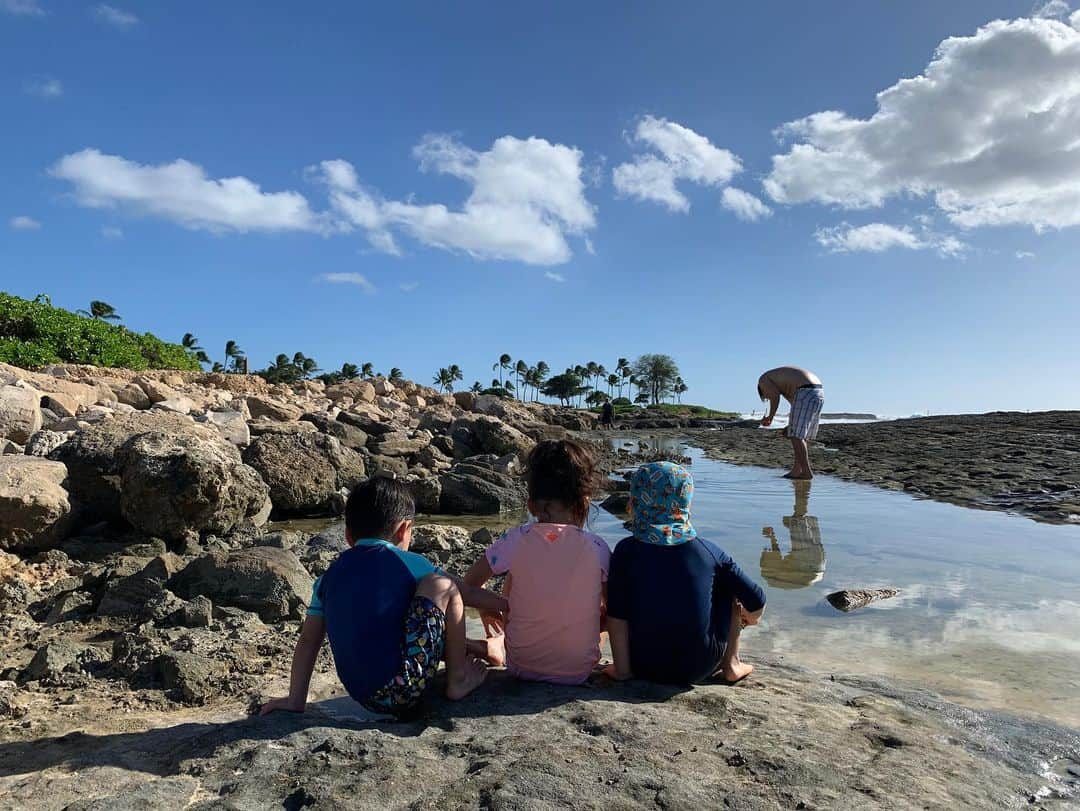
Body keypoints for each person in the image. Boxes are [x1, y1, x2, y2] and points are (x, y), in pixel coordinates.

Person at [260, 478, 506, 717]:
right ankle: (458, 680)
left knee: (402, 617)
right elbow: (468, 593)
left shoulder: (327, 578)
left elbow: (307, 642)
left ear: (348, 535)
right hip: (404, 689)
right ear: (403, 529)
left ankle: (482, 648)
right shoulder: (409, 563)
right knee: (442, 586)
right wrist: (508, 605)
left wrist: (295, 700)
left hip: (361, 694)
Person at [604, 462, 766, 685]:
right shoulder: (708, 552)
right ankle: (731, 664)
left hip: (643, 665)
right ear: (686, 504)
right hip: (700, 666)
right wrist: (748, 620)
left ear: (634, 503)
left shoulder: (625, 551)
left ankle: (622, 668)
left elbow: (617, 614)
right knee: (725, 585)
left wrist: (623, 671)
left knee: (624, 595)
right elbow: (756, 600)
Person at [463, 439, 609, 684]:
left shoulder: (517, 539)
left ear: (530, 504)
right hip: (577, 671)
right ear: (584, 502)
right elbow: (613, 611)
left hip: (521, 665)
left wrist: (493, 609)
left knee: (516, 577)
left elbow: (469, 585)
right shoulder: (598, 548)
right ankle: (496, 646)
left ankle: (496, 645)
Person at [757, 366, 824, 480]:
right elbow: (796, 405)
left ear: (761, 390)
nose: (767, 398)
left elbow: (774, 397)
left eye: (766, 397)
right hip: (818, 391)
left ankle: (806, 472)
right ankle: (797, 470)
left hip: (806, 390)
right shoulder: (782, 382)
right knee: (799, 435)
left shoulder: (763, 380)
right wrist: (791, 425)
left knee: (796, 436)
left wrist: (770, 417)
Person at [759, 480, 825, 589]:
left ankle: (802, 490)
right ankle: (801, 488)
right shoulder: (767, 571)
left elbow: (776, 553)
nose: (767, 550)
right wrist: (772, 536)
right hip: (806, 566)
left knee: (799, 521)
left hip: (818, 570)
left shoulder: (770, 573)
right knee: (798, 519)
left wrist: (772, 536)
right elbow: (776, 553)